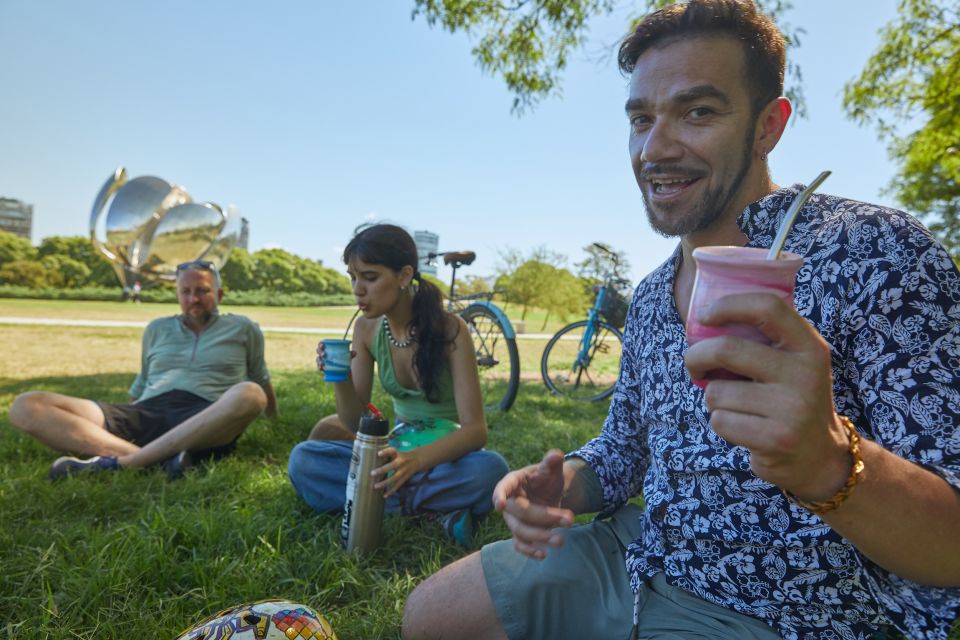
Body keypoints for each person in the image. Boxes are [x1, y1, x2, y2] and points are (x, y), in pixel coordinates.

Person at [401, 2, 960, 639]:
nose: (655, 148)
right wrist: (564, 489)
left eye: (698, 112)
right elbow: (624, 450)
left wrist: (828, 461)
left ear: (767, 126)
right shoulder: (649, 296)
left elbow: (951, 547)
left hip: (798, 614)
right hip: (641, 560)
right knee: (431, 615)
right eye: (642, 119)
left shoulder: (876, 251)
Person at [287, 224, 509, 546]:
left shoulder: (451, 329)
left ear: (404, 276)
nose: (357, 289)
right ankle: (431, 513)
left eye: (370, 277)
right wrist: (340, 376)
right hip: (396, 451)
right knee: (304, 460)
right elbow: (354, 423)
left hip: (443, 457)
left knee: (491, 470)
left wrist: (415, 462)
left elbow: (475, 432)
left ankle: (375, 501)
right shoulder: (366, 329)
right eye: (353, 277)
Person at [9, 260, 278, 479]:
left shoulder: (243, 328)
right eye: (185, 292)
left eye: (202, 291)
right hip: (146, 410)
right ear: (177, 295)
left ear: (218, 294)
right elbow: (143, 383)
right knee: (26, 405)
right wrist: (126, 413)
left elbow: (260, 377)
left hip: (205, 414)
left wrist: (274, 420)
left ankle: (125, 463)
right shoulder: (157, 329)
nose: (193, 298)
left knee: (251, 394)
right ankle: (160, 463)